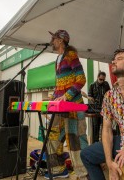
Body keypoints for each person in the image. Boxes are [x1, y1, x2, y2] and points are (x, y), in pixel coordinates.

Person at [80, 47, 124, 180]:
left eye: (119, 58)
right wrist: (109, 162)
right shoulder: (110, 95)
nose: (114, 61)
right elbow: (106, 129)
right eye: (114, 59)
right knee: (86, 155)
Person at [45, 30, 88, 179]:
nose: (51, 40)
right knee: (52, 136)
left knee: (76, 140)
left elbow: (81, 79)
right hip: (61, 108)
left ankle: (83, 173)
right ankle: (58, 169)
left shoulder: (71, 56)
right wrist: (54, 99)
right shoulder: (58, 58)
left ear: (61, 40)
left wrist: (66, 96)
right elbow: (61, 84)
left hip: (73, 106)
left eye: (54, 38)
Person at [88, 71, 110, 143]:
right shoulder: (92, 85)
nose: (102, 81)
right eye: (100, 79)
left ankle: (104, 143)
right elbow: (89, 96)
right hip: (96, 109)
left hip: (105, 109)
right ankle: (95, 143)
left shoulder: (106, 84)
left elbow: (109, 94)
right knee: (95, 127)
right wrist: (90, 99)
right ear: (97, 77)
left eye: (103, 80)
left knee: (105, 127)